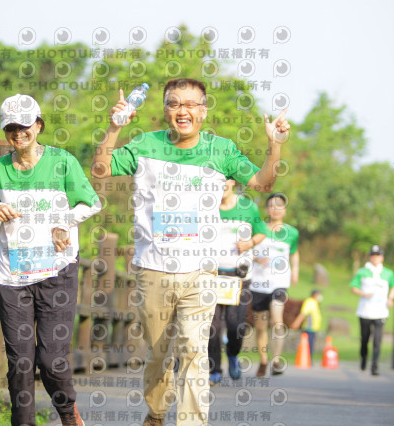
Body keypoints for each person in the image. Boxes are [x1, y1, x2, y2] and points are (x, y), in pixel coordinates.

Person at [91, 78, 290, 426]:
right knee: (158, 354)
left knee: (195, 351)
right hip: (153, 268)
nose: (183, 110)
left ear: (203, 110)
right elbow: (101, 170)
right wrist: (113, 128)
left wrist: (274, 147)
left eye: (191, 104)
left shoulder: (221, 150)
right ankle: (156, 413)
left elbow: (263, 184)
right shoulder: (145, 144)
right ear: (166, 110)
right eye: (174, 104)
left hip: (200, 270)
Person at [0, 94, 101, 426]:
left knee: (51, 360)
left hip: (56, 271)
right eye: (11, 128)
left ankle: (67, 414)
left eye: (24, 126)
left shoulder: (62, 162)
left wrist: (64, 222)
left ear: (38, 125)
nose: (18, 133)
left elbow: (91, 203)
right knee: (20, 361)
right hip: (12, 275)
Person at [208, 180, 268, 386]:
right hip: (212, 275)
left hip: (239, 277)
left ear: (232, 182)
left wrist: (250, 243)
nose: (220, 185)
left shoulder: (248, 207)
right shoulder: (206, 205)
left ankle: (233, 354)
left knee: (235, 325)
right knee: (212, 327)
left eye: (224, 181)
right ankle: (214, 369)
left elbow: (261, 232)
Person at [251, 193, 299, 377]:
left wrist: (295, 270)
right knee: (261, 326)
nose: (275, 209)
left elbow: (294, 252)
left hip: (279, 282)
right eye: (271, 205)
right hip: (259, 282)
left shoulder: (292, 233)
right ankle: (263, 360)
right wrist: (255, 257)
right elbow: (248, 247)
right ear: (267, 209)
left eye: (279, 205)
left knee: (277, 319)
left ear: (285, 210)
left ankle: (276, 360)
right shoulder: (259, 228)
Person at [350, 244, 394, 376]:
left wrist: (390, 298)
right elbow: (353, 287)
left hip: (381, 311)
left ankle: (375, 365)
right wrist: (363, 294)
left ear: (382, 257)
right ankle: (364, 357)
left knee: (377, 340)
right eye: (373, 255)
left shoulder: (388, 273)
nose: (375, 258)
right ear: (370, 257)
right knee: (364, 339)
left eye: (378, 255)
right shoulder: (362, 272)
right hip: (365, 310)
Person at [290, 289, 323, 355]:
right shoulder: (310, 302)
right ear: (315, 295)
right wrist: (296, 323)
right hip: (309, 328)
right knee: (308, 346)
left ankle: (308, 361)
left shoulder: (315, 303)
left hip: (314, 329)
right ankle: (306, 361)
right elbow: (303, 313)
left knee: (310, 346)